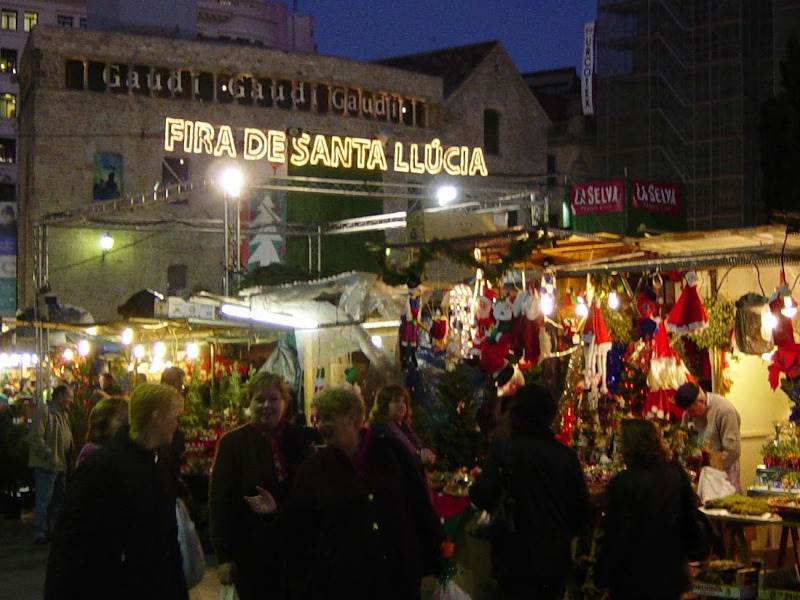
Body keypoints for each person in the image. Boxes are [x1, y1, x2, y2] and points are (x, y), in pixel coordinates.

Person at [251, 386, 445, 600]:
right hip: (346, 583)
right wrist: (276, 510)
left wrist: (436, 566)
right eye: (320, 419)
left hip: (398, 576)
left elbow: (420, 506)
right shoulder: (314, 467)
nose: (322, 426)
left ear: (354, 418)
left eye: (329, 418)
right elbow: (301, 525)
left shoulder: (391, 452)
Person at [44, 383, 187, 600]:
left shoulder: (159, 464)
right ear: (157, 418)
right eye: (175, 417)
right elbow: (69, 547)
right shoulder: (101, 468)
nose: (177, 425)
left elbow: (168, 541)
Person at [469, 383, 589, 600]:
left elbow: (483, 495)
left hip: (515, 555)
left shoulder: (504, 448)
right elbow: (580, 512)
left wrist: (476, 485)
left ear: (517, 413)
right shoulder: (565, 457)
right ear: (550, 415)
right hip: (553, 557)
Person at [209, 372, 319, 600]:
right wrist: (224, 557)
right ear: (249, 403)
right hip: (253, 551)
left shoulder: (304, 438)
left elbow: (311, 491)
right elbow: (220, 501)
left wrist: (280, 507)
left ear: (285, 402)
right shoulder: (233, 444)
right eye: (259, 399)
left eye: (273, 399)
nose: (266, 405)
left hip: (299, 548)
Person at [598, 419, 705, 600]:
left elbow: (616, 533)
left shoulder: (622, 483)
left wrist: (603, 574)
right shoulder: (675, 474)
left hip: (632, 574)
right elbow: (689, 519)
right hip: (669, 568)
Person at [28, 383, 74, 544]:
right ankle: (39, 532)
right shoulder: (44, 412)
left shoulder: (63, 414)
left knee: (58, 501)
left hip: (60, 465)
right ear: (60, 396)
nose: (71, 401)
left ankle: (53, 530)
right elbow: (35, 436)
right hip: (47, 465)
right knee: (44, 500)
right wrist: (48, 454)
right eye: (69, 397)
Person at [675, 381, 742, 491]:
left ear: (700, 401)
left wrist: (711, 468)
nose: (690, 416)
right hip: (702, 470)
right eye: (687, 412)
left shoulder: (724, 411)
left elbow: (733, 450)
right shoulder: (688, 413)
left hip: (724, 470)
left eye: (692, 411)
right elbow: (685, 439)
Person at [368, 385, 436, 466]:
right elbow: (394, 462)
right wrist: (419, 459)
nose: (402, 405)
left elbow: (418, 450)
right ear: (384, 405)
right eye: (396, 401)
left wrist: (427, 456)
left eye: (403, 401)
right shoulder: (380, 430)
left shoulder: (405, 426)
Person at [75, 397, 128, 467]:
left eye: (128, 420)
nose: (126, 425)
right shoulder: (91, 452)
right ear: (103, 424)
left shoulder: (123, 448)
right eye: (120, 420)